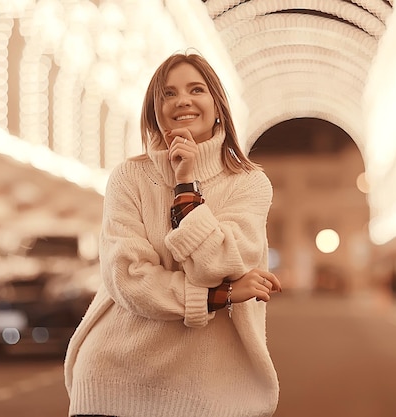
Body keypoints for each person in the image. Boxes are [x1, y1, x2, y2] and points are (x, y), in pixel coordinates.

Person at [64, 51, 282, 417]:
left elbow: (216, 263)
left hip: (210, 390)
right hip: (114, 380)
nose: (182, 100)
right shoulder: (127, 178)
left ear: (217, 104)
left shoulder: (249, 183)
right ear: (154, 110)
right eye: (167, 93)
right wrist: (219, 296)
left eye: (196, 89)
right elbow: (128, 278)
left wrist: (186, 185)